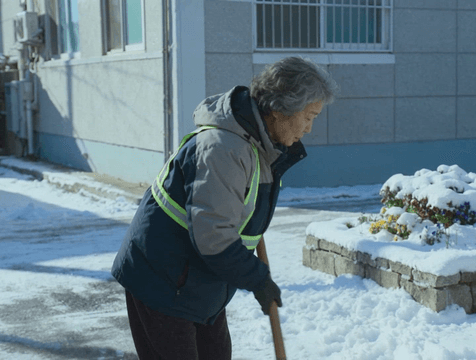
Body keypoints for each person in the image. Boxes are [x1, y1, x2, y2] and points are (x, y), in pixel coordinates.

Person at [111, 56, 338, 359]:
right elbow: (214, 236)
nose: (309, 129)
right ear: (278, 108)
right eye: (308, 116)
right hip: (163, 282)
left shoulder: (260, 146)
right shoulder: (224, 149)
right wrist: (258, 279)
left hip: (199, 281)